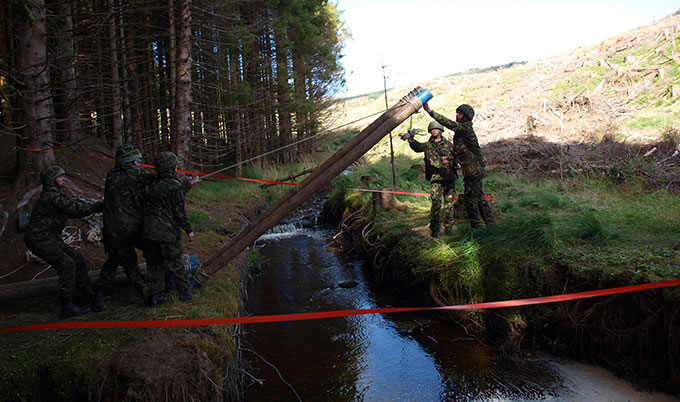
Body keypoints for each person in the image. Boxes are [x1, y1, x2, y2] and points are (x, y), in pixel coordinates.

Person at [24, 164, 104, 318]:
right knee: (67, 265)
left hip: (50, 238)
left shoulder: (55, 195)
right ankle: (67, 306)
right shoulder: (51, 197)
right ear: (52, 181)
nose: (63, 179)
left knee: (77, 258)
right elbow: (74, 210)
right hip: (40, 239)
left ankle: (85, 292)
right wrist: (97, 206)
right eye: (60, 177)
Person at [92, 144, 155, 312]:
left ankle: (99, 295)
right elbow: (160, 179)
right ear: (132, 162)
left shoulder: (111, 175)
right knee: (152, 251)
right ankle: (149, 288)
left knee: (115, 261)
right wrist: (187, 182)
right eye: (138, 160)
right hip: (131, 228)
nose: (140, 163)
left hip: (112, 229)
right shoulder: (136, 174)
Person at [423, 102, 495, 227]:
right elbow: (461, 150)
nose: (457, 115)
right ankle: (490, 224)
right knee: (478, 197)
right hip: (472, 169)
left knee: (471, 199)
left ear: (467, 116)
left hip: (474, 170)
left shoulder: (465, 128)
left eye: (460, 113)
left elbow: (449, 123)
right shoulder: (462, 131)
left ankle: (477, 227)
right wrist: (455, 160)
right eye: (457, 112)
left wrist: (430, 111)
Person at [142, 151, 200, 307]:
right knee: (175, 262)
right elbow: (179, 211)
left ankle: (156, 296)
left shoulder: (151, 182)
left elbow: (169, 191)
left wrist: (189, 183)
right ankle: (185, 293)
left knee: (154, 265)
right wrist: (189, 230)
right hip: (166, 232)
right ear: (171, 168)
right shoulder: (174, 185)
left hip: (148, 232)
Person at [405, 120, 458, 237]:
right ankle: (435, 229)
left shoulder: (449, 145)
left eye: (436, 129)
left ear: (440, 130)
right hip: (436, 179)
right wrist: (410, 139)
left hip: (449, 178)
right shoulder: (428, 146)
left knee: (449, 205)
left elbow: (456, 156)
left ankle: (449, 227)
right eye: (432, 129)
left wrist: (456, 163)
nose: (434, 131)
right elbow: (417, 147)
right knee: (436, 204)